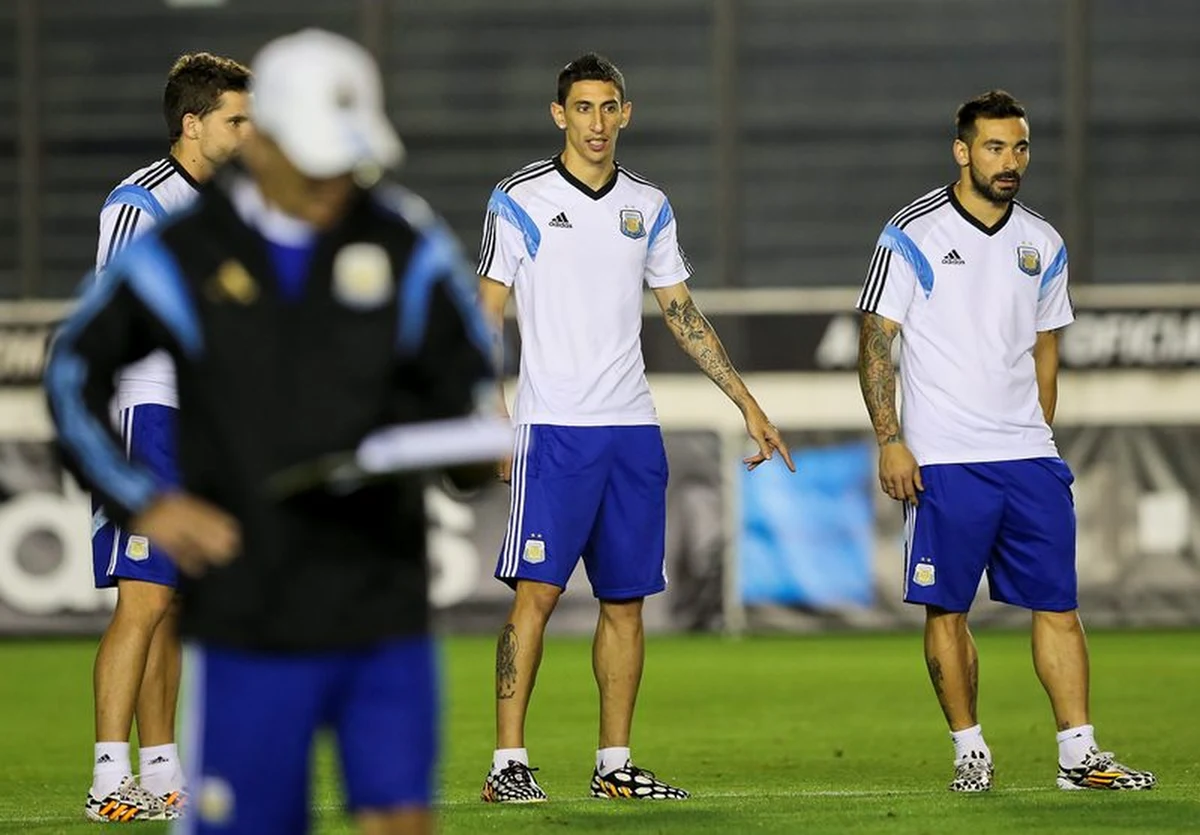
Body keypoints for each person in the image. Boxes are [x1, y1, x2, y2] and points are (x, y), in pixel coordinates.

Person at [46, 28, 500, 835]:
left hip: (380, 600)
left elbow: (465, 386)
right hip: (251, 613)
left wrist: (466, 444)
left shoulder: (406, 239)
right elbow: (72, 370)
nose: (335, 182)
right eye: (314, 158)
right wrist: (140, 499)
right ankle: (119, 769)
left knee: (400, 818)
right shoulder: (184, 246)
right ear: (270, 140)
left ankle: (152, 769)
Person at [477, 52, 794, 803]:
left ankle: (614, 762)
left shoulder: (647, 205)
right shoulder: (517, 198)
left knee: (626, 602)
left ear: (626, 113)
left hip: (631, 431)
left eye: (608, 106)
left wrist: (745, 401)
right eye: (581, 107)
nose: (595, 121)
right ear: (560, 115)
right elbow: (481, 313)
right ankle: (507, 764)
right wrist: (488, 411)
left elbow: (681, 313)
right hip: (552, 430)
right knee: (537, 596)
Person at [855, 89, 1156, 793]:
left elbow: (1046, 348)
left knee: (1057, 603)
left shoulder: (1042, 242)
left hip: (1027, 458)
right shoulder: (912, 232)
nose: (1009, 161)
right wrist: (891, 439)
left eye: (1019, 147)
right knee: (947, 608)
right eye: (994, 147)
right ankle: (970, 749)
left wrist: (1038, 431)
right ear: (962, 152)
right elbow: (876, 342)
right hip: (944, 462)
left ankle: (1080, 754)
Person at [85, 51, 251, 823]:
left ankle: (160, 771)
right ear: (193, 125)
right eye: (235, 121)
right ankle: (107, 775)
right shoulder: (139, 202)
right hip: (146, 414)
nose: (249, 133)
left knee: (176, 605)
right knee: (143, 599)